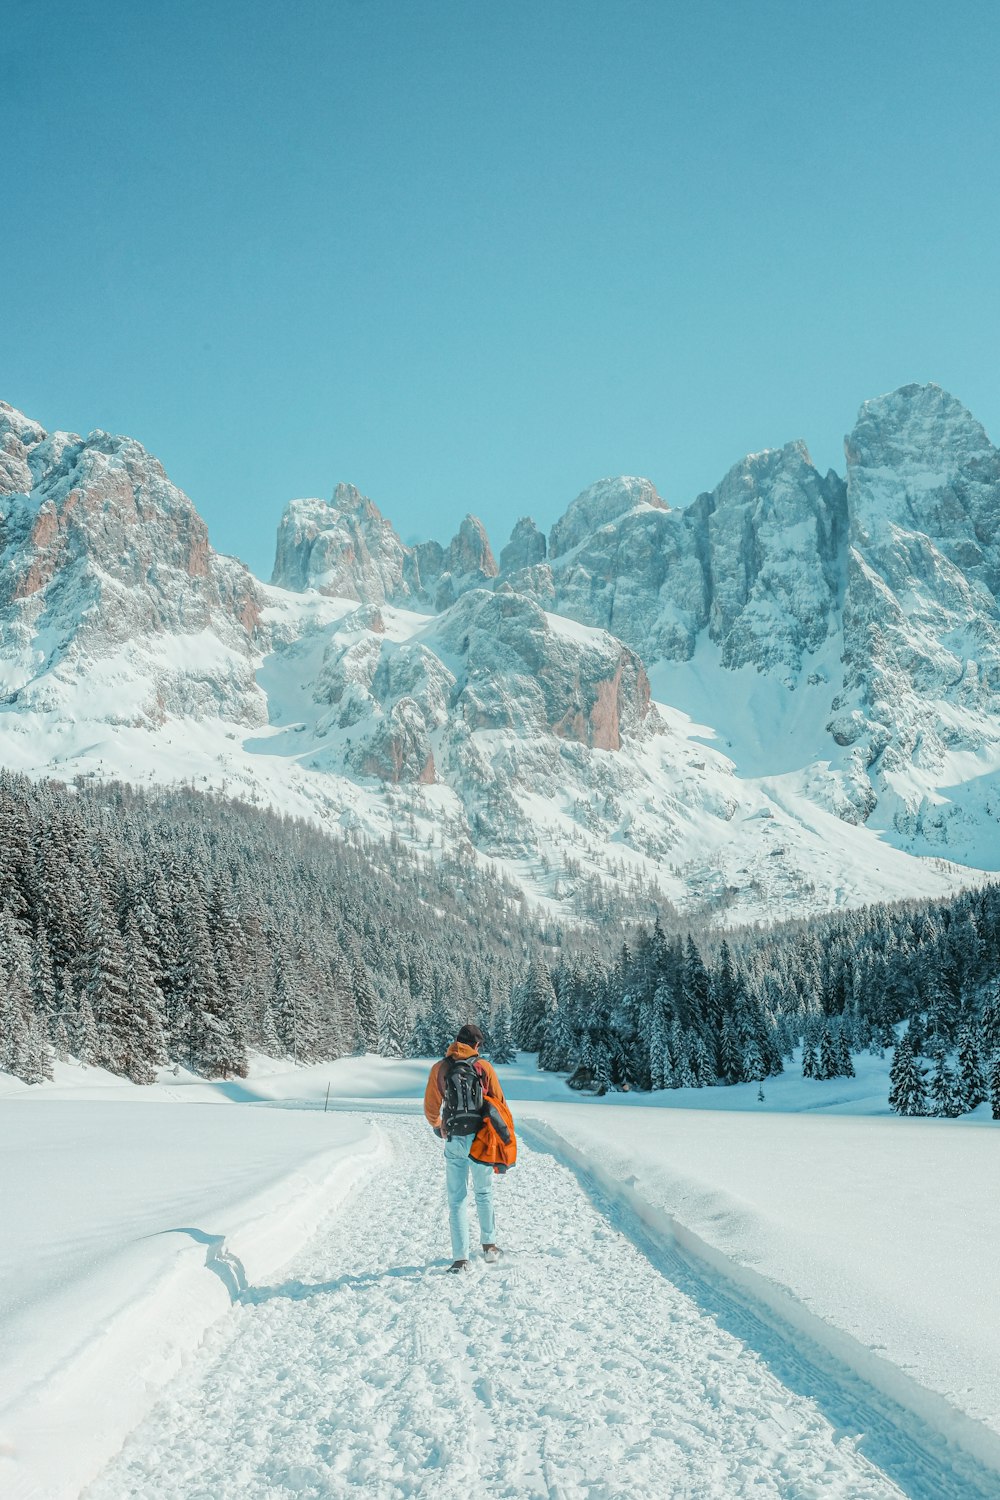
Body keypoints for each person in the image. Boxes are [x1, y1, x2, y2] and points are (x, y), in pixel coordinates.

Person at [423, 1023, 514, 1272]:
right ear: (476, 1045)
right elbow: (500, 1103)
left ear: (456, 1042)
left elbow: (431, 1106)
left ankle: (460, 1259)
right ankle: (489, 1248)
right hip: (481, 1140)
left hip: (454, 1138)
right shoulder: (483, 1067)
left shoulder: (441, 1068)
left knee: (457, 1199)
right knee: (483, 1193)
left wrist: (438, 1125)